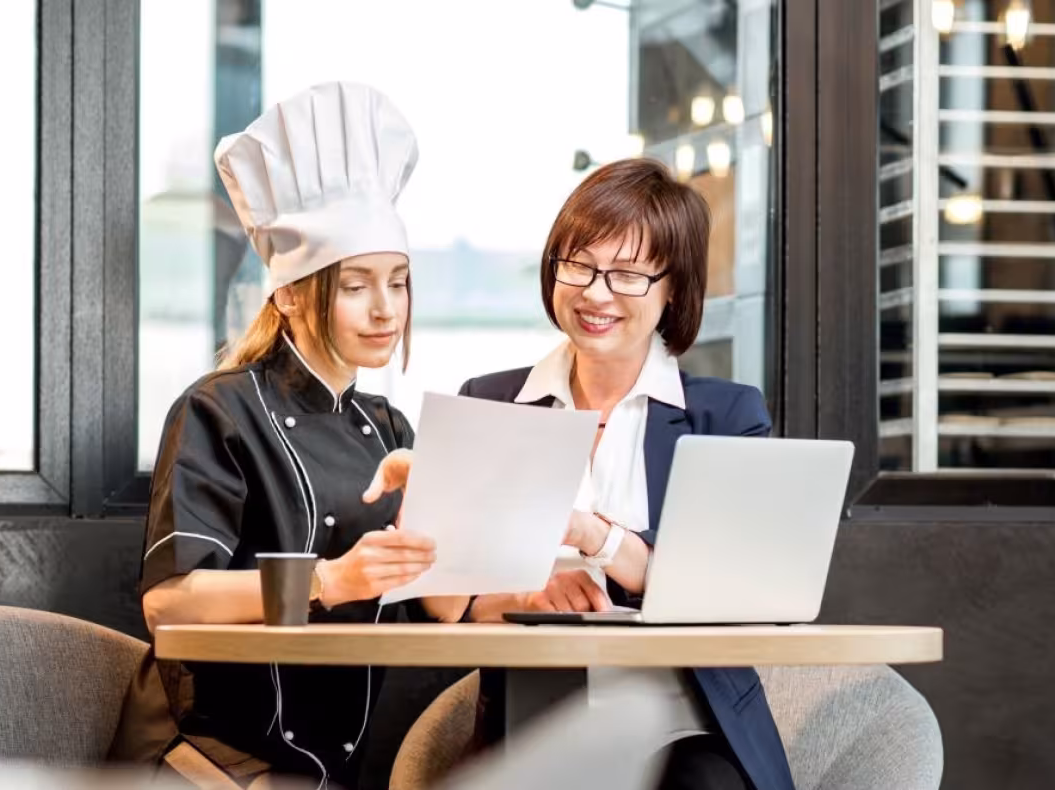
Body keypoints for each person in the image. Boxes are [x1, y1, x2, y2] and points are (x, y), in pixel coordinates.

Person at [379, 158, 790, 790]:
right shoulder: (490, 401)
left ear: (673, 287)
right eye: (579, 265)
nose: (596, 294)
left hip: (687, 728)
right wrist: (517, 593)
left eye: (627, 274)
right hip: (529, 724)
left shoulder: (725, 415)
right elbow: (445, 608)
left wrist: (594, 536)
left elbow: (734, 596)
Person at [138, 81, 469, 790]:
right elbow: (168, 601)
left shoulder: (390, 428)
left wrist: (460, 507)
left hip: (346, 762)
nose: (386, 310)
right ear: (287, 293)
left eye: (399, 282)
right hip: (213, 757)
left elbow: (441, 609)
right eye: (355, 286)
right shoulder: (217, 410)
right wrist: (330, 579)